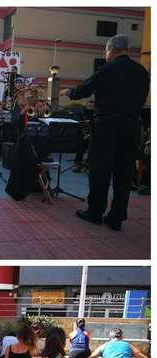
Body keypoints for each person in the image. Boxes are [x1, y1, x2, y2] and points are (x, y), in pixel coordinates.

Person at [61, 34, 149, 231]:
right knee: (124, 172)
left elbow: (85, 89)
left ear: (111, 50)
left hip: (108, 125)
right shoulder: (142, 72)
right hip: (132, 125)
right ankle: (117, 217)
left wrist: (70, 92)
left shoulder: (108, 69)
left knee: (100, 169)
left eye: (106, 51)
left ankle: (95, 212)